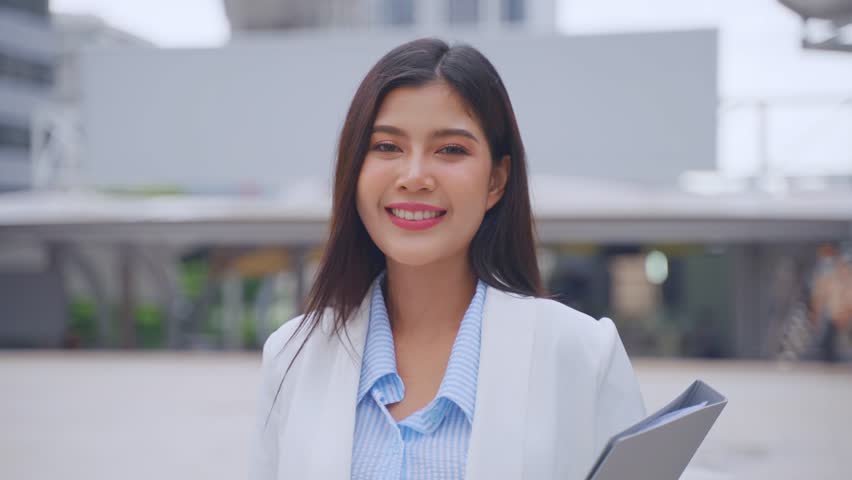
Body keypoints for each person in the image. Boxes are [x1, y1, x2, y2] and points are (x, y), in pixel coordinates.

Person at [250, 38, 646, 479]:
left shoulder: (584, 353)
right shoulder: (292, 355)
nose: (414, 176)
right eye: (386, 146)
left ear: (496, 180)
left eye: (450, 150)